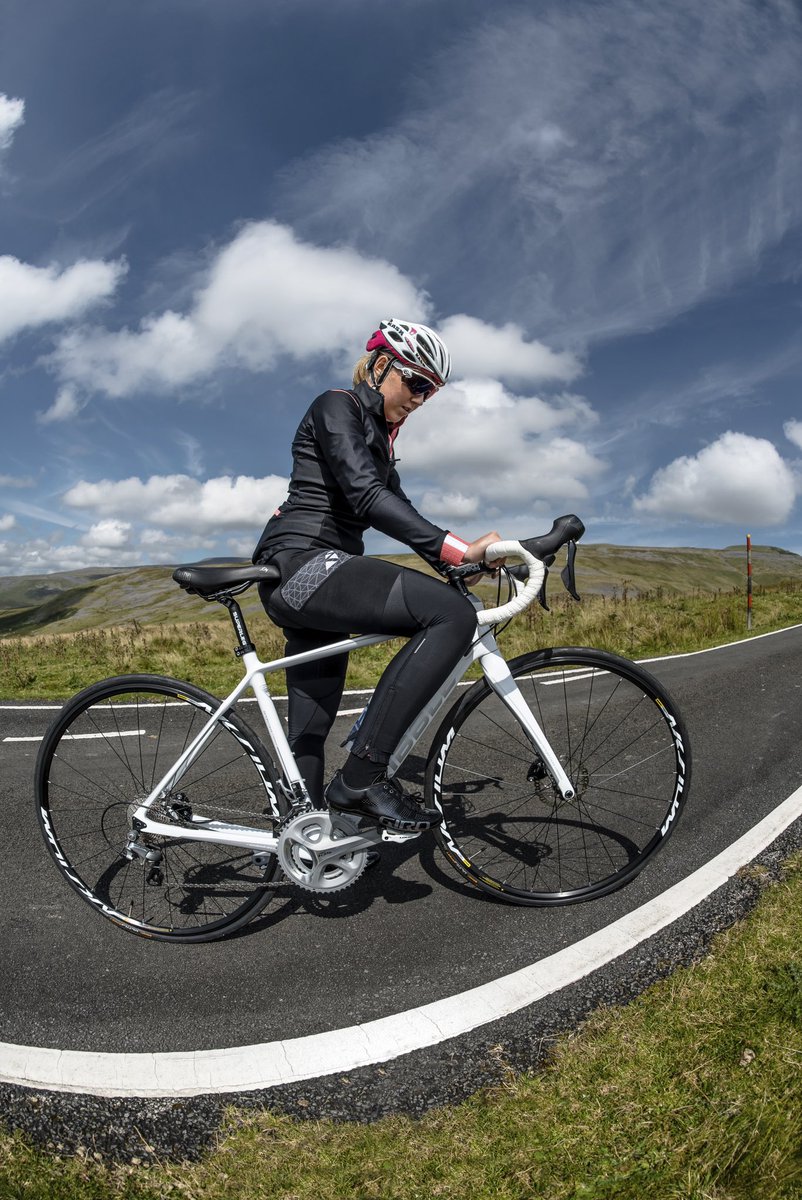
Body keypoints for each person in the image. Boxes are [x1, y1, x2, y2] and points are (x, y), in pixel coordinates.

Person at [253, 318, 503, 832]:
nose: (421, 398)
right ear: (382, 365)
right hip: (300, 564)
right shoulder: (335, 406)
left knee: (311, 727)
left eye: (430, 392)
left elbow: (398, 507)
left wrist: (464, 561)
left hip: (321, 575)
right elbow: (367, 496)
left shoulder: (381, 442)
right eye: (417, 383)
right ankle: (363, 779)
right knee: (449, 614)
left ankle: (305, 841)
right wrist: (453, 552)